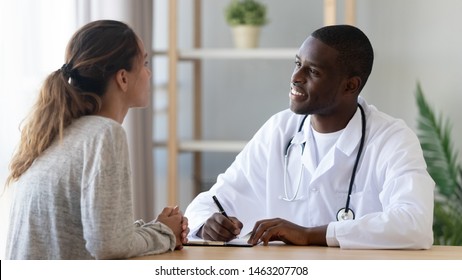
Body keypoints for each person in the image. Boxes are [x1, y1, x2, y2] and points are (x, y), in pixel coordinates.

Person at [184, 25, 434, 249]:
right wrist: (208, 224)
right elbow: (212, 202)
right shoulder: (279, 130)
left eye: (313, 71)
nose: (296, 77)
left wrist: (310, 234)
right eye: (297, 64)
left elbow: (415, 224)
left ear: (350, 85)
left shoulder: (392, 139)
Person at [5, 20, 189, 259]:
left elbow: (98, 234)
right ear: (123, 78)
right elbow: (108, 246)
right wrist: (166, 233)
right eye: (144, 63)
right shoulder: (105, 133)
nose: (149, 72)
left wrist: (157, 229)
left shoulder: (56, 131)